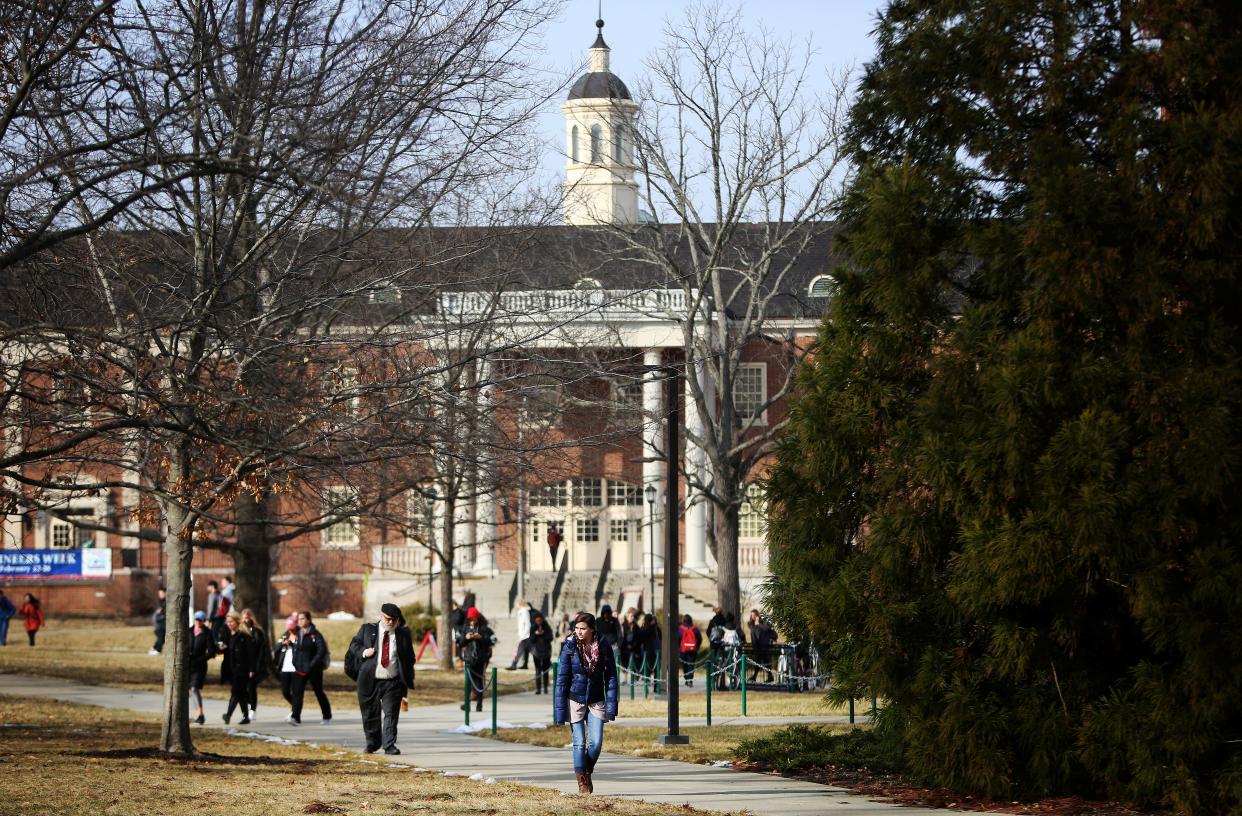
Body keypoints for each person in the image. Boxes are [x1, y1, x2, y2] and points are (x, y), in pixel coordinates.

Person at [553, 611, 619, 795]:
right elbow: (562, 679)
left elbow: (611, 677)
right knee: (579, 743)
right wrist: (559, 711)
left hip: (597, 700)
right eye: (576, 628)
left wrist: (612, 705)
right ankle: (582, 781)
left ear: (592, 629)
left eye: (583, 628)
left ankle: (585, 768)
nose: (579, 632)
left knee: (596, 743)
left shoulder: (603, 646)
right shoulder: (570, 647)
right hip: (575, 700)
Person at [346, 602, 415, 755]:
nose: (390, 622)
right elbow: (353, 645)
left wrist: (406, 671)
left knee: (391, 714)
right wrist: (364, 652)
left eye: (394, 620)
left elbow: (411, 657)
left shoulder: (403, 634)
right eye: (388, 619)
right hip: (369, 680)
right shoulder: (367, 629)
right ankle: (372, 743)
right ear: (381, 616)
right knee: (370, 714)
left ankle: (389, 745)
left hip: (393, 681)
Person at [287, 610, 332, 725]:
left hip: (313, 670)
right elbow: (297, 649)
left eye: (302, 619)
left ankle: (327, 716)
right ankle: (295, 717)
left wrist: (312, 665)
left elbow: (321, 651)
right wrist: (294, 661)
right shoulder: (298, 634)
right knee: (297, 693)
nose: (300, 621)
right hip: (299, 668)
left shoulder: (315, 634)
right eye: (299, 619)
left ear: (308, 620)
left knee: (318, 692)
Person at [218, 610, 256, 724]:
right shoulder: (229, 635)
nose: (229, 624)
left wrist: (252, 669)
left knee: (235, 692)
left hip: (242, 669)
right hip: (231, 669)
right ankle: (245, 716)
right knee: (241, 694)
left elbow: (251, 654)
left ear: (237, 622)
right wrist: (222, 648)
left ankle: (228, 715)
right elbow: (226, 651)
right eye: (228, 622)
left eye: (231, 622)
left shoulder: (244, 636)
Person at [459, 607, 495, 713]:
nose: (472, 621)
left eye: (474, 619)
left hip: (480, 658)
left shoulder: (483, 628)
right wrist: (466, 638)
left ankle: (479, 705)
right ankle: (467, 704)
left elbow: (489, 643)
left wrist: (481, 638)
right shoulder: (465, 628)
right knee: (468, 682)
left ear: (477, 618)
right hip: (469, 658)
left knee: (479, 682)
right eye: (470, 619)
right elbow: (461, 643)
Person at [187, 610, 217, 724]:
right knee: (189, 690)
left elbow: (211, 652)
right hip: (187, 665)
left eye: (200, 620)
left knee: (194, 689)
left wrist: (200, 659)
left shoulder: (207, 633)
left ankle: (201, 714)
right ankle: (193, 714)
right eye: (196, 619)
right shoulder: (188, 631)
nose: (198, 621)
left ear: (204, 621)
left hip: (199, 666)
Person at [240, 608, 270, 717]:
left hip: (254, 664)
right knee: (242, 687)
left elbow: (261, 649)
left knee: (251, 686)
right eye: (243, 618)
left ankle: (253, 709)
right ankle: (248, 704)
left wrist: (256, 666)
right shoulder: (240, 631)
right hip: (243, 664)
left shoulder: (257, 632)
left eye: (247, 618)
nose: (245, 620)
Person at [275, 614, 300, 709]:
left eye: (292, 628)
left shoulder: (301, 635)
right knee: (285, 691)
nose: (290, 630)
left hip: (296, 668)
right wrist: (282, 644)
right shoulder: (285, 635)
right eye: (289, 628)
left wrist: (292, 644)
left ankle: (295, 711)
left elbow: (303, 649)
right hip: (285, 668)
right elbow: (276, 648)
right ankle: (296, 707)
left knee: (296, 691)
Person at [747, 609, 776, 683]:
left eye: (754, 615)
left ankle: (768, 677)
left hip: (764, 646)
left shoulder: (762, 623)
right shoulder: (751, 624)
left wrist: (758, 624)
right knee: (758, 662)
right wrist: (756, 624)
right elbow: (753, 631)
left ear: (757, 616)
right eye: (751, 615)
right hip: (757, 646)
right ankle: (758, 676)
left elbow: (766, 629)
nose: (752, 617)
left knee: (765, 662)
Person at [529, 612, 554, 694]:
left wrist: (543, 633)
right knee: (537, 670)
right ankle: (538, 688)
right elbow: (531, 639)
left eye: (540, 620)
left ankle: (546, 687)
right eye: (537, 621)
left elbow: (550, 637)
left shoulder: (546, 627)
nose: (539, 622)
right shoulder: (533, 627)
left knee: (545, 670)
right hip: (536, 651)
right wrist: (536, 634)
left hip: (546, 651)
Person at [507, 598, 533, 671]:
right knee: (526, 651)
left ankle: (514, 664)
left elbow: (527, 624)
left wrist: (524, 634)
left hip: (524, 636)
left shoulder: (524, 611)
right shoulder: (522, 612)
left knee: (518, 650)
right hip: (524, 635)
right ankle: (524, 664)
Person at [677, 614, 702, 686]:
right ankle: (690, 680)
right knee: (691, 665)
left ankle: (686, 678)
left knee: (684, 665)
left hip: (683, 650)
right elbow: (700, 639)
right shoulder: (695, 629)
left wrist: (679, 647)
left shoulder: (680, 629)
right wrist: (697, 647)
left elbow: (677, 639)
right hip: (692, 650)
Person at [618, 607, 637, 673]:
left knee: (633, 667)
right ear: (627, 617)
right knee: (624, 666)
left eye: (633, 616)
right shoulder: (623, 626)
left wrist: (633, 645)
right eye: (631, 616)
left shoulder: (635, 626)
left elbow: (637, 637)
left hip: (633, 649)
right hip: (624, 648)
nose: (633, 618)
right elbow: (621, 637)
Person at [149, 588, 167, 655]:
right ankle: (156, 649)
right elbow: (157, 614)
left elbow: (164, 613)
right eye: (159, 593)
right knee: (161, 638)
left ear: (166, 593)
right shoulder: (161, 602)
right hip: (159, 624)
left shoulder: (166, 602)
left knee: (161, 638)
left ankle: (156, 649)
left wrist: (161, 611)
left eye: (161, 593)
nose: (160, 595)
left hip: (162, 624)